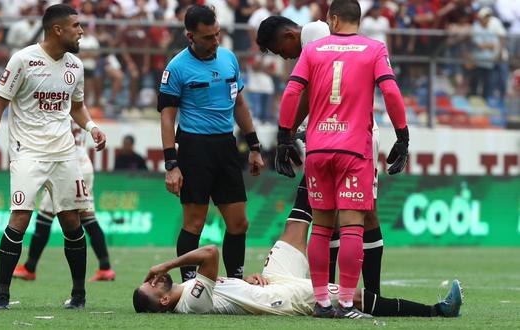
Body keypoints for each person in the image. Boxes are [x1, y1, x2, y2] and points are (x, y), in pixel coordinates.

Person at [275, 0, 409, 318]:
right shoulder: (374, 49)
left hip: (318, 148)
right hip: (354, 149)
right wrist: (402, 136)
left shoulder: (313, 50)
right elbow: (391, 92)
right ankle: (347, 303)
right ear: (356, 21)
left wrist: (283, 136)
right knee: (352, 227)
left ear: (333, 20)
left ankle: (322, 303)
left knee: (321, 227)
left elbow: (292, 93)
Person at [0, 4, 107, 310]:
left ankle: (78, 296)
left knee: (72, 220)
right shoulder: (23, 60)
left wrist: (91, 126)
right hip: (28, 151)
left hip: (64, 152)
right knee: (20, 217)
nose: (81, 31)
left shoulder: (75, 66)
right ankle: (2, 296)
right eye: (76, 26)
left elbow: (76, 105)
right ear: (57, 29)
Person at [256, 15, 385, 297]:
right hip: (337, 133)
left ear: (290, 36)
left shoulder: (316, 34)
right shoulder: (314, 40)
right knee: (331, 214)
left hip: (357, 132)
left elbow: (307, 90)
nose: (285, 57)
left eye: (281, 51)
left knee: (364, 214)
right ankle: (331, 291)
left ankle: (371, 294)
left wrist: (286, 133)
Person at [132, 222, 463, 318]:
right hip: (281, 298)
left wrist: (243, 281)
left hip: (263, 284)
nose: (157, 278)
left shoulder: (190, 292)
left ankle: (314, 148)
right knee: (353, 297)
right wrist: (166, 263)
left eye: (153, 277)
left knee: (293, 232)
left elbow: (226, 288)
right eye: (154, 285)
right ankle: (439, 311)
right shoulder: (190, 303)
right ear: (162, 302)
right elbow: (211, 251)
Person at [158, 5, 264, 283]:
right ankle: (190, 285)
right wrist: (171, 164)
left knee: (239, 223)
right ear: (190, 36)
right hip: (194, 149)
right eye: (208, 37)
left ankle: (236, 283)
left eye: (217, 34)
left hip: (226, 147)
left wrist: (254, 146)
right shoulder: (176, 67)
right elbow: (168, 119)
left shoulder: (229, 58)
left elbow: (239, 103)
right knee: (194, 223)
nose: (215, 41)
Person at [13, 120, 116, 283]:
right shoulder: (77, 108)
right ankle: (105, 267)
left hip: (65, 168)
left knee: (44, 216)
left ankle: (29, 268)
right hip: (83, 165)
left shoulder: (58, 111)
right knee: (88, 217)